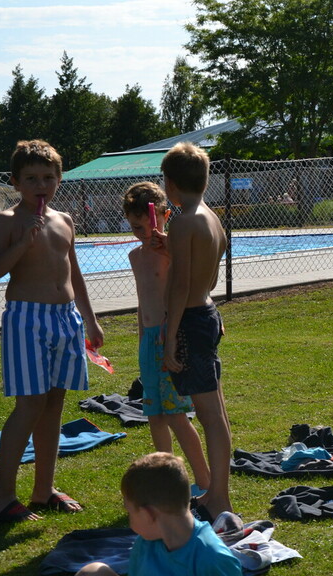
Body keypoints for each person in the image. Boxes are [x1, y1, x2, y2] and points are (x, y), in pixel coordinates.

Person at [0, 139, 104, 520]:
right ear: (16, 182)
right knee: (30, 404)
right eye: (31, 178)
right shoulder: (7, 221)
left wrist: (91, 319)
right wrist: (21, 243)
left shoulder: (64, 219)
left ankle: (43, 489)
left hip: (65, 317)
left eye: (48, 177)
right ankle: (1, 492)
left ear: (58, 179)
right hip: (27, 319)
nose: (40, 185)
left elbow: (74, 273)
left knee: (53, 403)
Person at [122, 182, 211, 492]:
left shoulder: (174, 252)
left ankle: (204, 480)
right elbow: (142, 302)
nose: (145, 234)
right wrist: (141, 341)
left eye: (150, 225)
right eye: (136, 228)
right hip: (149, 342)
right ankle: (168, 482)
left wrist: (170, 248)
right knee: (155, 415)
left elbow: (196, 279)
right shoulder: (136, 256)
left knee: (176, 415)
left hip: (170, 338)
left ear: (165, 216)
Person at [160, 142, 233, 520]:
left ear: (170, 183)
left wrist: (171, 335)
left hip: (190, 320)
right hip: (207, 312)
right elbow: (210, 277)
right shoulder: (211, 219)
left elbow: (180, 285)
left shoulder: (183, 221)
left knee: (210, 416)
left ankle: (219, 498)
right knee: (216, 413)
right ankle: (216, 493)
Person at [75, 452, 242, 576]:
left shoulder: (212, 559)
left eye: (130, 512)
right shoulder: (145, 543)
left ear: (148, 514)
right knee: (93, 572)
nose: (130, 522)